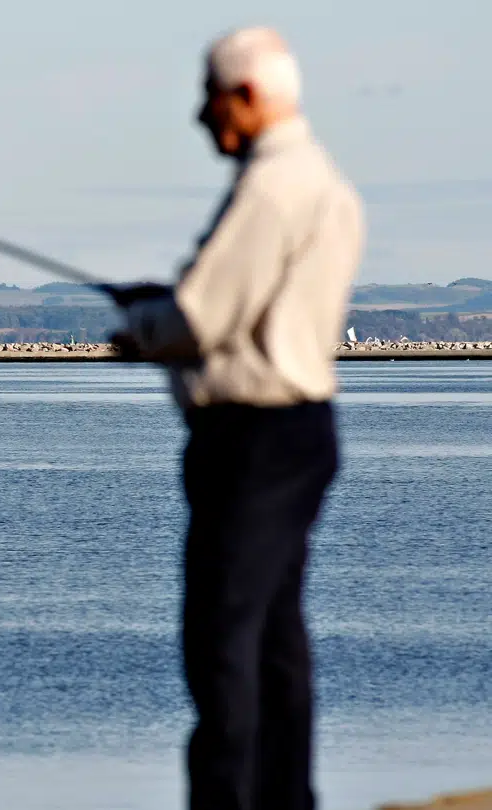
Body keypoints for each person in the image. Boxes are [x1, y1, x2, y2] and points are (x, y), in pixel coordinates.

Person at [109, 26, 366, 810]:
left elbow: (201, 316)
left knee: (223, 634)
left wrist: (143, 327)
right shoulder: (325, 183)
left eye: (209, 97)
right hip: (300, 430)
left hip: (253, 439)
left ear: (246, 96)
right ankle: (286, 796)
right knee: (275, 635)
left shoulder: (272, 187)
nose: (201, 115)